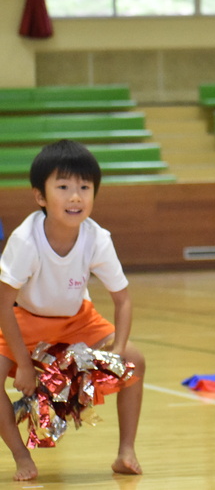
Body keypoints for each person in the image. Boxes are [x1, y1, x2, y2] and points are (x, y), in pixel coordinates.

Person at [0, 140, 144, 479]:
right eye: (63, 187)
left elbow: (123, 299)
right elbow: (3, 305)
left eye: (84, 187)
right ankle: (22, 457)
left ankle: (126, 451)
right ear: (40, 197)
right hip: (21, 320)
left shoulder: (97, 237)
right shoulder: (25, 241)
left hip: (77, 320)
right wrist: (23, 364)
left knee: (136, 360)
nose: (75, 196)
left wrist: (117, 354)